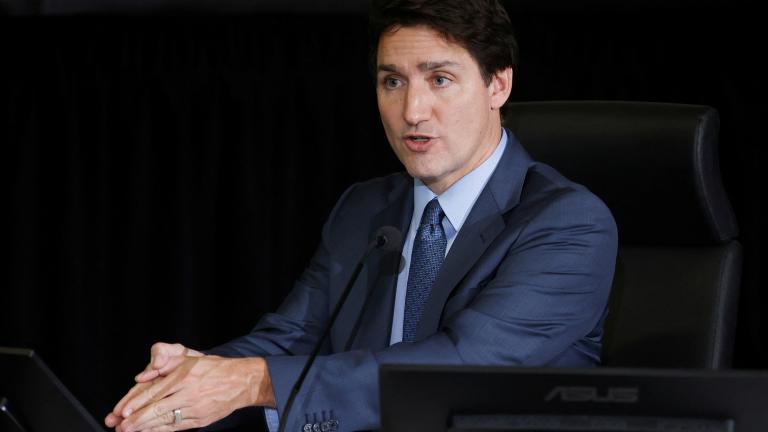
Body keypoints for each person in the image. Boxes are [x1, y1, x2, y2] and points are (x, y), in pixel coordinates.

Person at [105, 0, 618, 431]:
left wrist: (251, 382)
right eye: (392, 81)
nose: (413, 111)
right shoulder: (366, 207)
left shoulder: (567, 224)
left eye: (440, 79)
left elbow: (464, 369)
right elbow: (292, 336)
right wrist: (196, 374)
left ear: (497, 86)